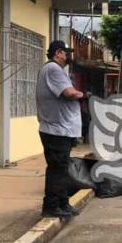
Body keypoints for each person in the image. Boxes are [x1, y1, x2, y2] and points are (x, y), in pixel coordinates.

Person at [36, 40, 85, 218]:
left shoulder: (55, 70)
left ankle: (63, 203)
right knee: (57, 168)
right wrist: (82, 94)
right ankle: (51, 206)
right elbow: (69, 93)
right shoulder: (53, 69)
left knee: (62, 168)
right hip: (55, 130)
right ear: (58, 53)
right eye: (66, 52)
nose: (68, 56)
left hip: (61, 130)